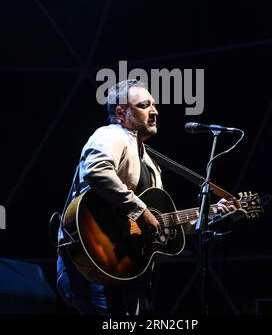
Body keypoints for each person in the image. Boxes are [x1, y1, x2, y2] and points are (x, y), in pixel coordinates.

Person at [57, 79, 235, 316]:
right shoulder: (111, 135)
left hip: (127, 269)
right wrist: (139, 210)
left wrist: (212, 214)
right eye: (144, 105)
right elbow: (97, 171)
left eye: (154, 104)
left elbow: (160, 221)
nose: (155, 111)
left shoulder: (151, 163)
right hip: (95, 258)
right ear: (121, 113)